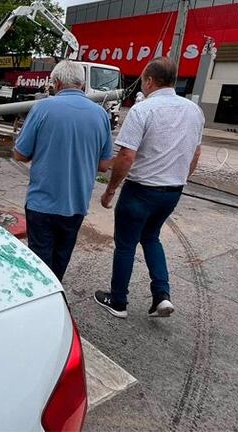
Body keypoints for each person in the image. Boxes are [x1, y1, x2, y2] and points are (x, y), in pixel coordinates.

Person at [95, 57, 204, 319]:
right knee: (151, 237)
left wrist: (110, 189)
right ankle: (161, 296)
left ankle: (118, 301)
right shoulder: (194, 111)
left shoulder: (143, 110)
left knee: (125, 244)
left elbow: (127, 157)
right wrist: (179, 179)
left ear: (149, 80)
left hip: (141, 190)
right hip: (172, 191)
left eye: (143, 80)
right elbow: (196, 153)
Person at [13, 60, 113, 282]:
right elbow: (105, 165)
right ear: (82, 84)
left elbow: (20, 154)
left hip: (42, 204)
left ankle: (41, 303)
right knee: (60, 259)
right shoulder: (100, 115)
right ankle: (55, 296)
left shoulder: (42, 108)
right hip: (76, 205)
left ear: (56, 83)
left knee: (39, 264)